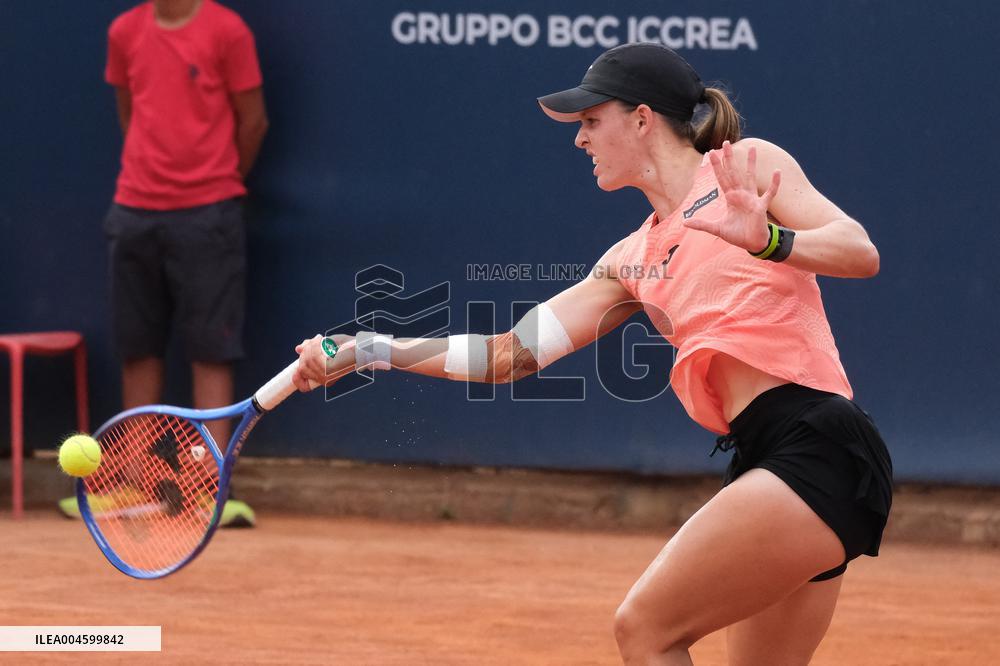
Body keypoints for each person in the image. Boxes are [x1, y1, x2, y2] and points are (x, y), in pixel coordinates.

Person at [292, 43, 892, 665]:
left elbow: (859, 250)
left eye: (589, 121)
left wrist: (768, 239)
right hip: (769, 461)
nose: (579, 140)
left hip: (821, 446)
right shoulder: (628, 260)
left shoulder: (745, 166)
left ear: (641, 118)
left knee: (645, 629)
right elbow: (508, 355)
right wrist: (371, 348)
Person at [61, 0, 267, 526]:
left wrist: (216, 184)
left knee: (211, 350)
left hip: (209, 212)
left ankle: (210, 487)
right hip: (133, 210)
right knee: (138, 347)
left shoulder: (228, 31)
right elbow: (129, 114)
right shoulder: (124, 31)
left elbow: (253, 122)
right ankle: (134, 482)